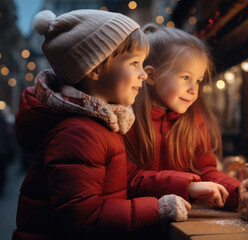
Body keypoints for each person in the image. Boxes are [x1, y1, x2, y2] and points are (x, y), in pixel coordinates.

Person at [13, 10, 218, 240]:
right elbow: (84, 217)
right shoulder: (80, 133)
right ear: (94, 68)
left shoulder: (101, 125)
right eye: (134, 63)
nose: (143, 74)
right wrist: (158, 208)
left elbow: (120, 181)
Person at [124, 24, 239, 209]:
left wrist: (239, 191)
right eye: (185, 77)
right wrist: (187, 186)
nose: (194, 89)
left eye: (198, 80)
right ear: (151, 76)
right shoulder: (125, 120)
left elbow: (205, 170)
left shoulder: (194, 119)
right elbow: (127, 178)